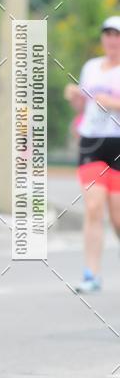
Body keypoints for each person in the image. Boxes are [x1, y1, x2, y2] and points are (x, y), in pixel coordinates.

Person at [64, 15, 120, 294]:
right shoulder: (91, 68)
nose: (112, 40)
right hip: (92, 143)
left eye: (117, 35)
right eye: (107, 34)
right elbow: (82, 107)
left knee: (118, 216)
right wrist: (75, 97)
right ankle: (91, 274)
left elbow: (108, 103)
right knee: (94, 207)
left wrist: (113, 103)